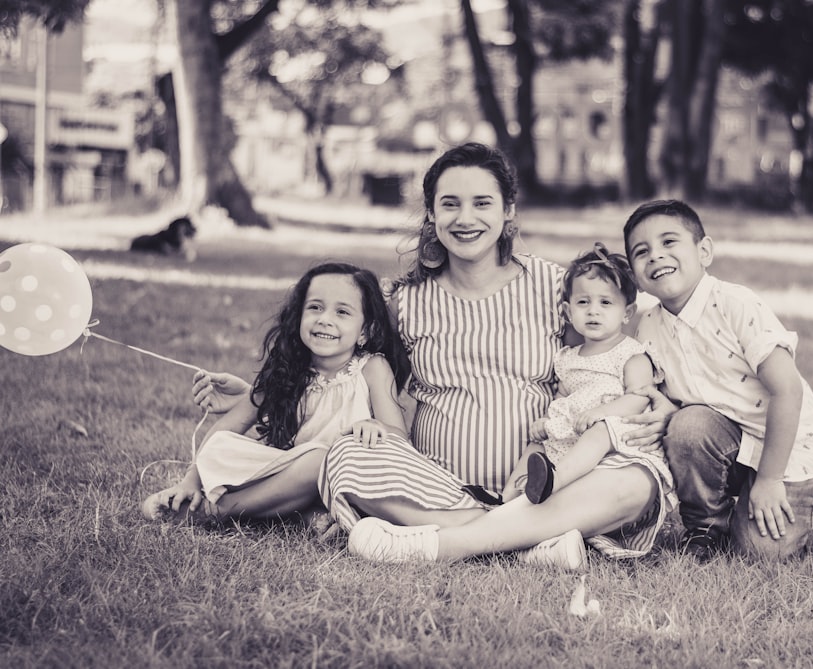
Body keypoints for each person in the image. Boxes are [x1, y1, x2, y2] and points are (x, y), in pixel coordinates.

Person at [195, 143, 674, 570]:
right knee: (345, 453)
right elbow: (343, 363)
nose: (466, 218)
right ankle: (524, 540)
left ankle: (452, 545)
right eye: (450, 204)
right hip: (437, 488)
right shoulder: (403, 301)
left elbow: (620, 344)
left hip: (547, 480)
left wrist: (664, 403)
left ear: (509, 211)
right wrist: (270, 395)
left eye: (482, 203)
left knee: (636, 482)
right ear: (431, 213)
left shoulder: (556, 288)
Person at [623, 199, 813, 561]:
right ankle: (706, 527)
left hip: (788, 450)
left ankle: (770, 506)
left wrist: (769, 480)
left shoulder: (736, 304)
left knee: (758, 553)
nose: (656, 256)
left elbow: (787, 389)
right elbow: (675, 397)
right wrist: (665, 412)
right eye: (642, 252)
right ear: (635, 276)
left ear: (704, 251)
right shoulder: (648, 326)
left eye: (669, 242)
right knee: (687, 425)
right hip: (726, 440)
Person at [142, 262, 410, 523]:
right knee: (222, 446)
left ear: (365, 331)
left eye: (342, 312)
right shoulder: (287, 369)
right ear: (299, 316)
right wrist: (191, 479)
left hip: (346, 478)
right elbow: (226, 429)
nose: (324, 320)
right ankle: (305, 516)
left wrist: (374, 425)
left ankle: (219, 511)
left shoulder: (372, 367)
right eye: (315, 307)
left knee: (321, 460)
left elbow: (399, 437)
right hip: (289, 477)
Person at [502, 242, 673, 508]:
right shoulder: (568, 357)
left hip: (613, 435)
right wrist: (547, 420)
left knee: (599, 432)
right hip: (572, 431)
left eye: (606, 302)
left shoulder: (632, 354)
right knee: (537, 445)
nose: (593, 310)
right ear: (569, 312)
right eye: (583, 302)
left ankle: (553, 483)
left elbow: (638, 399)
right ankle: (508, 497)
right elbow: (562, 395)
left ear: (626, 313)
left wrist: (601, 413)